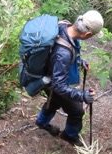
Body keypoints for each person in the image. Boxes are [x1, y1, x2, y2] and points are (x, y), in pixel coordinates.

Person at [34, 10, 103, 146]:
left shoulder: (64, 27)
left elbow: (62, 56)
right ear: (88, 34)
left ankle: (41, 122)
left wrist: (79, 61)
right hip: (53, 83)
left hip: (48, 78)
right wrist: (82, 95)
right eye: (93, 35)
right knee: (77, 111)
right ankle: (69, 135)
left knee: (53, 102)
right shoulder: (63, 53)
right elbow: (59, 86)